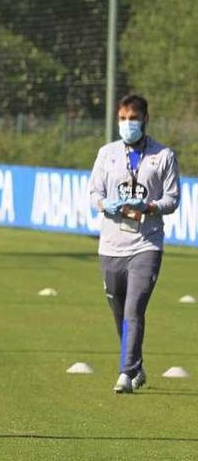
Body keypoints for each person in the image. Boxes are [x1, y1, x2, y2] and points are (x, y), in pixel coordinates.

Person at [89, 94, 181, 393]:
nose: (127, 124)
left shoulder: (163, 156)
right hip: (111, 245)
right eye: (123, 119)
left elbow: (173, 199)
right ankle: (137, 366)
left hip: (146, 243)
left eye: (133, 119)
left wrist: (149, 206)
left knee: (134, 309)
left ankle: (126, 373)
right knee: (119, 313)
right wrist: (106, 204)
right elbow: (93, 194)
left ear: (145, 120)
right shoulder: (107, 154)